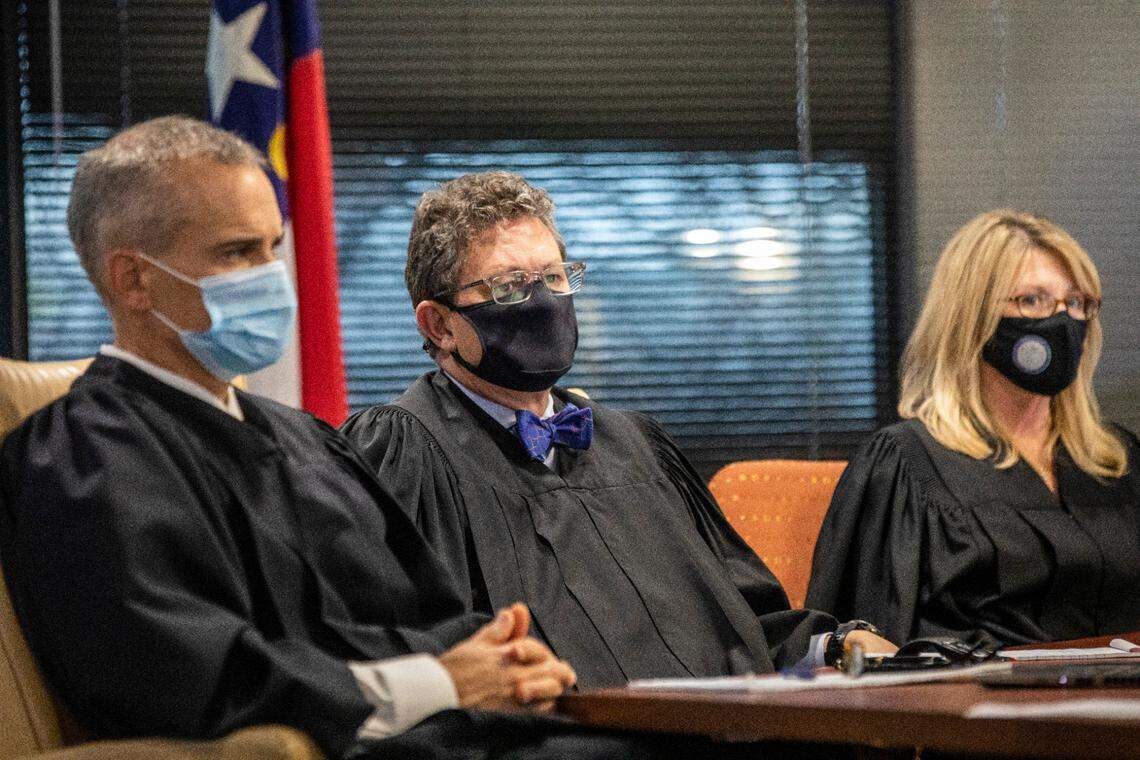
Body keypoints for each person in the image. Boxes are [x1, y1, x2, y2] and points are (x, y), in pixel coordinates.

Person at [0, 116, 706, 760]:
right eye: (238, 251)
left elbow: (423, 610)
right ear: (134, 279)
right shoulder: (80, 457)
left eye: (273, 246)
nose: (272, 277)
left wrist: (504, 659)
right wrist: (439, 681)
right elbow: (177, 679)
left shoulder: (307, 441)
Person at [341, 171, 895, 689]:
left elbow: (743, 619)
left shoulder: (637, 446)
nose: (543, 302)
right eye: (511, 287)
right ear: (439, 324)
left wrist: (835, 643)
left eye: (554, 278)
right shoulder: (403, 453)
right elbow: (405, 659)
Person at [806, 210, 1140, 648]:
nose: (1062, 322)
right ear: (973, 316)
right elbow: (872, 650)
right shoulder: (907, 464)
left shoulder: (1118, 460)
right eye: (1032, 301)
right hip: (980, 703)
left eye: (1075, 303)